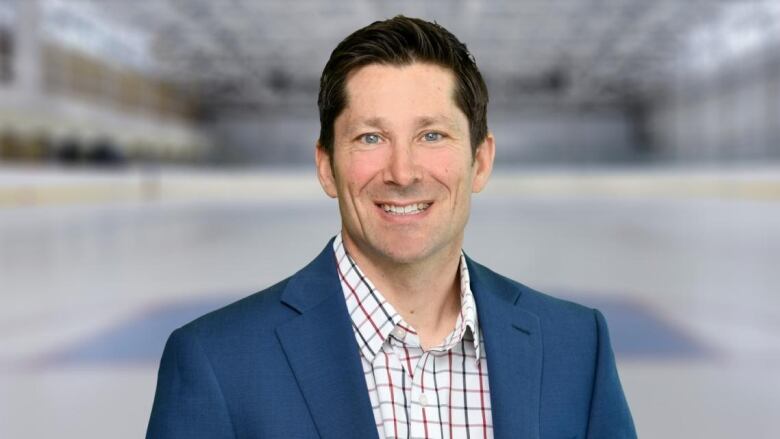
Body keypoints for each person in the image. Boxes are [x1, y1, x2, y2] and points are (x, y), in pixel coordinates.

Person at [146, 16, 636, 439]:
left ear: (480, 161)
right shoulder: (217, 361)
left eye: (432, 135)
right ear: (326, 166)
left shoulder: (577, 346)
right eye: (371, 137)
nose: (403, 172)